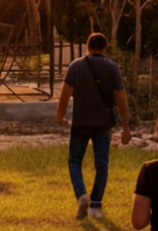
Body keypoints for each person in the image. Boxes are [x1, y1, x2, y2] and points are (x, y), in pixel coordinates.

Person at [56, 32, 131, 220]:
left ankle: (82, 194)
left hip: (80, 121)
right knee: (102, 164)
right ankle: (96, 204)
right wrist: (126, 125)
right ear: (105, 48)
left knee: (74, 161)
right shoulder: (112, 68)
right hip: (103, 123)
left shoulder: (76, 66)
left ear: (87, 47)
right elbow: (121, 98)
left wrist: (60, 116)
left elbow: (65, 94)